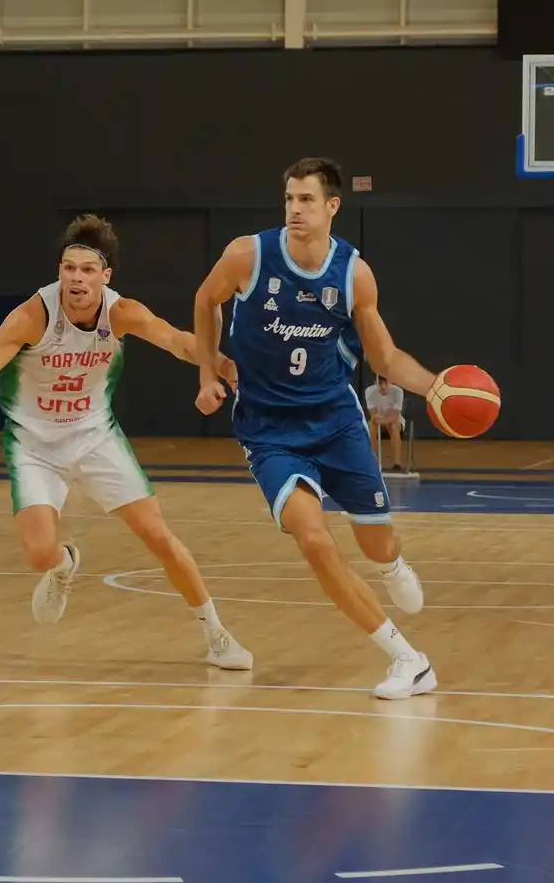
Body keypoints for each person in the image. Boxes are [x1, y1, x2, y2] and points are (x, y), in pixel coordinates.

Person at [0, 214, 254, 671]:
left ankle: (216, 634)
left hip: (93, 434)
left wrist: (223, 365)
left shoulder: (121, 312)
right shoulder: (32, 317)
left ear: (105, 277)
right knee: (37, 553)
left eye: (87, 270)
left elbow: (176, 340)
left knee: (158, 536)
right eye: (69, 268)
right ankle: (63, 563)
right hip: (33, 443)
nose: (76, 278)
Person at [192, 157, 437, 701]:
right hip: (269, 430)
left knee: (375, 544)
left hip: (335, 423)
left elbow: (386, 356)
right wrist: (208, 372)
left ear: (332, 207)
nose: (295, 210)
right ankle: (409, 658)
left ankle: (393, 563)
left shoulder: (353, 273)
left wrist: (435, 387)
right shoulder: (247, 255)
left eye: (306, 200)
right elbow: (205, 301)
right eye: (289, 199)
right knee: (314, 540)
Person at [364, 376, 406, 474]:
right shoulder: (369, 391)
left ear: (390, 382)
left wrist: (385, 421)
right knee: (371, 425)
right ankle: (372, 462)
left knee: (394, 427)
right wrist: (378, 420)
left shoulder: (398, 392)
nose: (382, 387)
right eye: (380, 384)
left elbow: (394, 416)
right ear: (375, 383)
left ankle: (397, 464)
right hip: (378, 418)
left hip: (393, 418)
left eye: (385, 383)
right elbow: (373, 414)